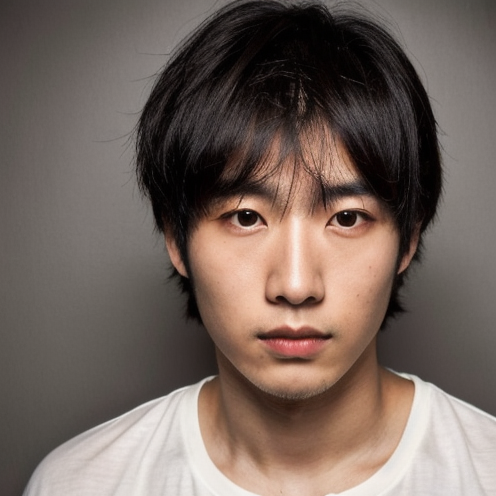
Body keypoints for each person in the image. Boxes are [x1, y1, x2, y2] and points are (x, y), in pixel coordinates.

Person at [23, 1, 496, 495]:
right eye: (246, 217)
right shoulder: (76, 484)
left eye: (347, 218)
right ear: (176, 239)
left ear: (408, 238)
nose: (295, 286)